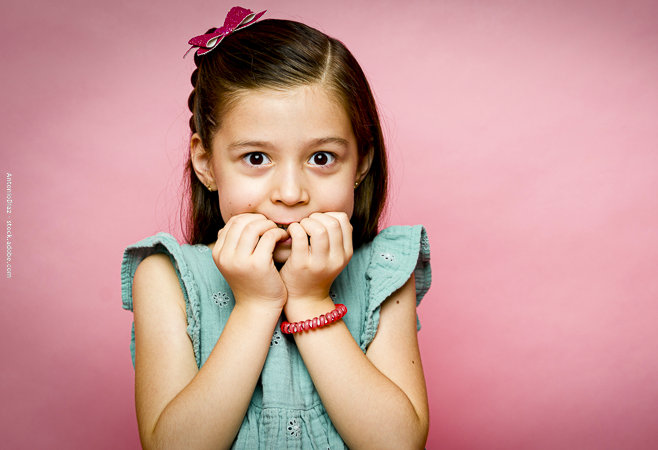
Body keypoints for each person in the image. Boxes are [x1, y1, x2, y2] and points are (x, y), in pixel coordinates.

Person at [119, 7, 431, 450]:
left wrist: (310, 300)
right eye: (256, 158)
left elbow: (397, 444)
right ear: (205, 163)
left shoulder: (382, 272)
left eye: (321, 158)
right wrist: (255, 305)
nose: (290, 193)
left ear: (360, 164)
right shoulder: (166, 278)